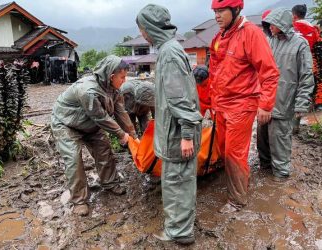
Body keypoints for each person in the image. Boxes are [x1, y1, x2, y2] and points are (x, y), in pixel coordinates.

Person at [136, 4, 203, 245]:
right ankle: (180, 226)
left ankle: (180, 233)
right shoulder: (171, 49)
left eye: (143, 29)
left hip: (178, 134)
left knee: (178, 183)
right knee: (177, 182)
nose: (142, 34)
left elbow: (181, 98)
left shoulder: (169, 53)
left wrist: (186, 134)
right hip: (174, 132)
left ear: (151, 28)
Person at [209, 0, 279, 213]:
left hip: (242, 104)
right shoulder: (219, 37)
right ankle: (234, 183)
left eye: (221, 11)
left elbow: (269, 72)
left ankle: (237, 200)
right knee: (222, 147)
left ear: (236, 10)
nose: (217, 16)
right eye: (215, 11)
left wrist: (266, 105)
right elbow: (214, 73)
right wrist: (212, 104)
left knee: (234, 152)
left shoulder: (251, 34)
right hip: (221, 104)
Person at [51, 55, 137, 216]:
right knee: (74, 160)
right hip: (66, 123)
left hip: (90, 124)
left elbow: (121, 112)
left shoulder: (114, 89)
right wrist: (121, 135)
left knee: (104, 150)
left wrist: (132, 135)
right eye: (122, 77)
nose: (124, 80)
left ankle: (110, 183)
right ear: (111, 76)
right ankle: (79, 200)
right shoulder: (87, 90)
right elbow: (101, 117)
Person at [258, 8, 314, 181]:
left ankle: (280, 178)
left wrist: (301, 103)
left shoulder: (300, 43)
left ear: (282, 23)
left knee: (280, 143)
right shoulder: (268, 41)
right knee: (262, 143)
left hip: (284, 103)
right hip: (265, 102)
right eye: (268, 24)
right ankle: (265, 174)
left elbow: (306, 74)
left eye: (273, 24)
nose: (270, 27)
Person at [291, 4, 320, 133]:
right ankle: (300, 121)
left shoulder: (292, 29)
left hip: (293, 67)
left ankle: (293, 125)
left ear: (294, 15)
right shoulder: (314, 30)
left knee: (292, 94)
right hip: (311, 68)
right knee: (306, 94)